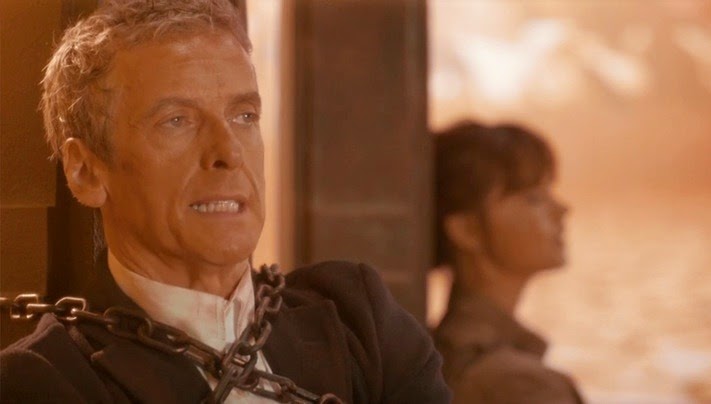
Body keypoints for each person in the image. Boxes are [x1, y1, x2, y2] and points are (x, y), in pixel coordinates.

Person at [0, 1, 450, 403]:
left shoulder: (358, 321)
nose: (229, 152)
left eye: (244, 116)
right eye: (176, 120)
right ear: (86, 172)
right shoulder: (43, 381)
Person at [432, 121, 584, 403]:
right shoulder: (519, 386)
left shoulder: (436, 354)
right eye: (533, 198)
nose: (562, 209)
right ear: (467, 230)